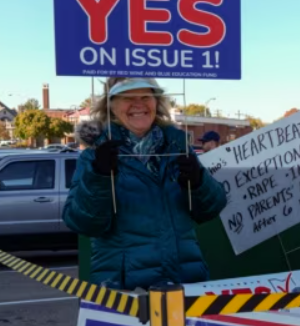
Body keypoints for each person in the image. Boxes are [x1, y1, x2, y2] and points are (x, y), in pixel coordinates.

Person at [65, 78, 228, 289]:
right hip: (125, 289)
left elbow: (211, 209)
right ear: (110, 105)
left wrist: (199, 183)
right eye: (127, 97)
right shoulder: (94, 155)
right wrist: (99, 176)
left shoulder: (178, 148)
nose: (138, 104)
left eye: (145, 96)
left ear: (156, 102)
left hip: (186, 281)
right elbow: (81, 222)